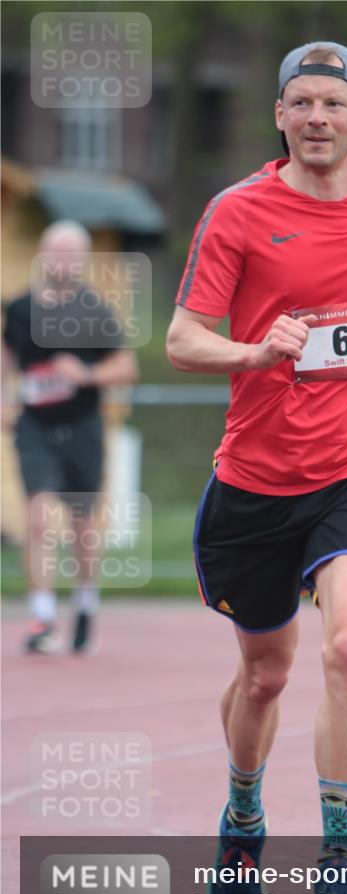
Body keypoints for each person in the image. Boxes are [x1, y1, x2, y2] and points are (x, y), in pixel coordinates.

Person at [167, 41, 347, 894]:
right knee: (265, 677)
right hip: (255, 477)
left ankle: (336, 866)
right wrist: (253, 350)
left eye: (333, 103)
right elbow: (180, 339)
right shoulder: (240, 211)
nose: (316, 118)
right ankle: (243, 821)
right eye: (300, 104)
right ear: (279, 119)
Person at [2, 220, 138, 654]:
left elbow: (125, 368)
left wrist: (85, 374)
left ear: (81, 261)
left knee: (82, 528)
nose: (61, 260)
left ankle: (84, 601)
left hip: (82, 428)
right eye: (54, 251)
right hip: (35, 426)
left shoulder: (94, 310)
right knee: (39, 517)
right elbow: (5, 359)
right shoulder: (20, 308)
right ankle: (41, 616)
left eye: (69, 253)